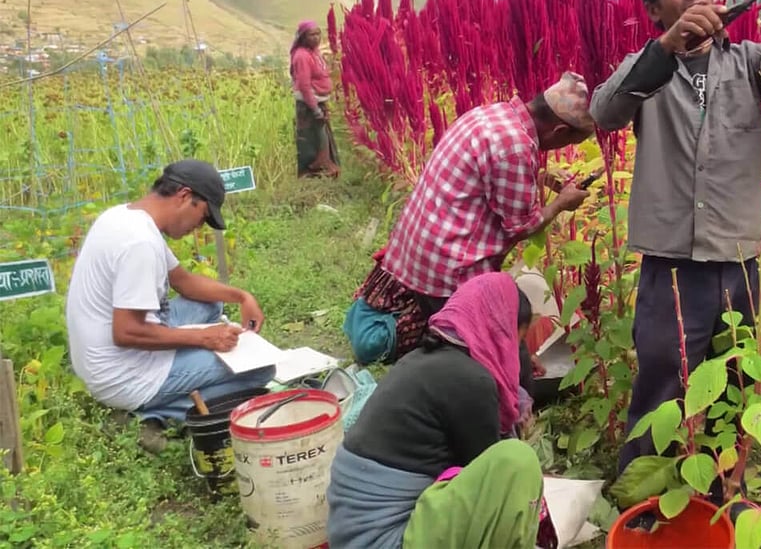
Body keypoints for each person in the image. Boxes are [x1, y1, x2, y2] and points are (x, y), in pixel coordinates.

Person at [589, 0, 761, 494]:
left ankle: (721, 502)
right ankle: (641, 507)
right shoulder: (645, 71)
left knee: (734, 392)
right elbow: (604, 112)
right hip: (671, 270)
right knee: (660, 390)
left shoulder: (752, 63)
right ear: (656, 10)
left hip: (742, 265)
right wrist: (667, 49)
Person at [343, 70, 595, 368]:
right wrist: (562, 203)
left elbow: (485, 179)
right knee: (504, 332)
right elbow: (522, 226)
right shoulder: (515, 146)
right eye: (571, 142)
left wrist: (539, 177)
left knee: (485, 339)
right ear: (559, 132)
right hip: (448, 270)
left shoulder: (492, 115)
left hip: (415, 256)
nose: (564, 149)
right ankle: (508, 385)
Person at [64, 159, 275, 453]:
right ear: (185, 196)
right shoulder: (139, 244)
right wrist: (204, 338)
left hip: (105, 354)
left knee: (210, 301)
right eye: (202, 217)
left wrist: (242, 296)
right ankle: (149, 415)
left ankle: (170, 401)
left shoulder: (125, 217)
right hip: (122, 373)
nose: (199, 227)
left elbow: (185, 282)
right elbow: (126, 332)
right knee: (261, 369)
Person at [326, 272, 547, 549]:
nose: (517, 354)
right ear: (499, 330)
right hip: (388, 539)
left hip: (351, 536)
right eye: (517, 341)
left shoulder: (423, 360)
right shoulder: (472, 381)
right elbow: (492, 486)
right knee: (516, 462)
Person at [290, 19, 341, 178]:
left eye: (318, 34)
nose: (316, 38)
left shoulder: (314, 53)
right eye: (311, 35)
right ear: (303, 37)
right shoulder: (302, 56)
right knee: (313, 140)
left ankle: (322, 171)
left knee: (321, 138)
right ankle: (314, 174)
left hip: (317, 102)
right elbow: (304, 86)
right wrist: (315, 108)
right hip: (309, 105)